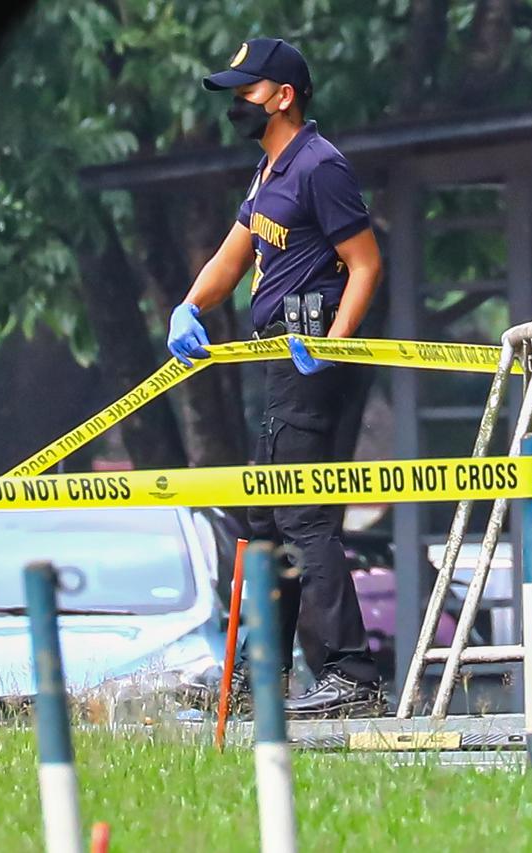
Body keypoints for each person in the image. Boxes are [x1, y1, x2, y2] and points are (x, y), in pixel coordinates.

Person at [167, 37, 384, 716]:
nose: (238, 104)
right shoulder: (271, 172)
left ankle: (351, 673)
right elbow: (233, 258)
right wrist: (190, 305)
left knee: (299, 512)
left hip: (312, 351)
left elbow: (366, 263)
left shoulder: (320, 166)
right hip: (277, 357)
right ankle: (257, 676)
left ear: (282, 95)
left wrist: (336, 343)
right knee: (262, 515)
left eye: (247, 92)